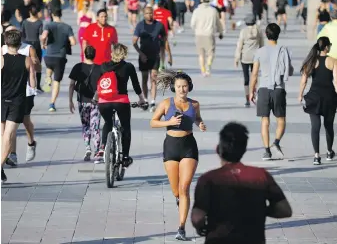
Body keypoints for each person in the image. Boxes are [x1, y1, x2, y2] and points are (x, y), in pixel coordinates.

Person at [191, 122, 292, 244]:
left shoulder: (209, 179)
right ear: (244, 150)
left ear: (218, 149)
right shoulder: (261, 175)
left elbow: (197, 217)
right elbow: (285, 210)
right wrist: (260, 209)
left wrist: (200, 227)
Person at [150, 70, 206, 241]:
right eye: (179, 86)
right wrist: (169, 122)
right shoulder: (166, 103)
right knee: (176, 190)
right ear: (174, 87)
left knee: (184, 188)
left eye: (185, 86)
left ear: (189, 87)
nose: (182, 89)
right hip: (171, 147)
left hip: (189, 146)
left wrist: (200, 124)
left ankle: (181, 228)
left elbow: (197, 118)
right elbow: (153, 122)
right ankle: (179, 200)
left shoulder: (194, 104)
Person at [250, 23, 294, 161]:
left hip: (263, 89)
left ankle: (267, 151)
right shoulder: (283, 50)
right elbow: (289, 71)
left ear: (266, 34)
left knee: (265, 120)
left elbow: (255, 73)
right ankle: (276, 142)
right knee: (281, 119)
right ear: (278, 34)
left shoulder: (260, 51)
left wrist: (251, 91)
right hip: (279, 89)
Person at [96, 43, 146, 165]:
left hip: (104, 102)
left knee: (107, 122)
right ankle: (125, 157)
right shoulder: (128, 67)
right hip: (121, 102)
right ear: (124, 54)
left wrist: (96, 99)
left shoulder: (103, 66)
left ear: (112, 53)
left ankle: (102, 148)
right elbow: (136, 85)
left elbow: (98, 85)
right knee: (125, 127)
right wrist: (142, 100)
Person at [2, 26, 40, 167]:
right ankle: (10, 157)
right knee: (9, 131)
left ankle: (30, 143)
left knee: (20, 124)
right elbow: (32, 83)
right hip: (13, 97)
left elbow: (37, 69)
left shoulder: (28, 49)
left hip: (15, 96)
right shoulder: (22, 58)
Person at [298, 37, 337, 165]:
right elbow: (336, 82)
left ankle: (316, 156)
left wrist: (300, 95)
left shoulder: (311, 61)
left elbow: (304, 80)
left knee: (315, 126)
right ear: (326, 47)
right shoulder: (333, 61)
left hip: (313, 97)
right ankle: (329, 152)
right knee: (328, 125)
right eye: (329, 45)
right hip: (329, 97)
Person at [69, 46, 102, 162]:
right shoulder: (100, 68)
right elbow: (102, 86)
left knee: (86, 125)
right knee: (96, 126)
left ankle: (87, 147)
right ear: (95, 55)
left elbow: (72, 84)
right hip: (96, 102)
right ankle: (97, 152)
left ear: (84, 54)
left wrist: (70, 100)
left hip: (82, 102)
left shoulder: (78, 67)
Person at [40, 8, 76, 111]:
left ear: (52, 15)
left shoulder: (48, 25)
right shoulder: (67, 27)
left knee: (49, 67)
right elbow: (73, 42)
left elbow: (43, 36)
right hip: (60, 57)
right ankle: (52, 104)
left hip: (48, 55)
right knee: (57, 81)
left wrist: (43, 44)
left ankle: (47, 78)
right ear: (61, 15)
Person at [133, 6, 167, 112]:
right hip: (144, 56)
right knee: (144, 79)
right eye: (147, 13)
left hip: (155, 56)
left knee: (154, 78)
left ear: (153, 14)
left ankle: (153, 101)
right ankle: (146, 100)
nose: (149, 15)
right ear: (144, 14)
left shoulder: (159, 25)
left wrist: (164, 56)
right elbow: (134, 42)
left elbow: (164, 41)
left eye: (151, 13)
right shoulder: (140, 25)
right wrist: (141, 54)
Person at [234, 14, 264, 107]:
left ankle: (247, 98)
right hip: (256, 57)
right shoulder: (259, 30)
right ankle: (254, 95)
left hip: (245, 57)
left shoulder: (243, 31)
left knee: (246, 78)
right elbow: (262, 44)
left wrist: (237, 58)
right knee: (254, 77)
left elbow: (239, 45)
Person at [190, 0, 223, 77]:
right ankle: (208, 66)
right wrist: (220, 32)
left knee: (201, 54)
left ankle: (203, 70)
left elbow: (192, 24)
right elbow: (218, 23)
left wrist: (196, 29)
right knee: (210, 53)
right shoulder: (213, 11)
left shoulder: (196, 11)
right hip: (209, 34)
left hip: (199, 34)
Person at [21, 4, 44, 92]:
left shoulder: (24, 22)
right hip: (36, 45)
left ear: (29, 12)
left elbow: (22, 34)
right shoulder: (39, 22)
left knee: (27, 65)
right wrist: (43, 44)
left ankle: (28, 84)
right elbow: (41, 35)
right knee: (37, 65)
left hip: (27, 44)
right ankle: (37, 86)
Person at [153, 0, 173, 71]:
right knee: (163, 49)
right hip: (164, 32)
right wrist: (171, 28)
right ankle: (162, 64)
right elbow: (170, 21)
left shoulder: (155, 12)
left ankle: (157, 64)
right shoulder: (167, 12)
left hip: (155, 33)